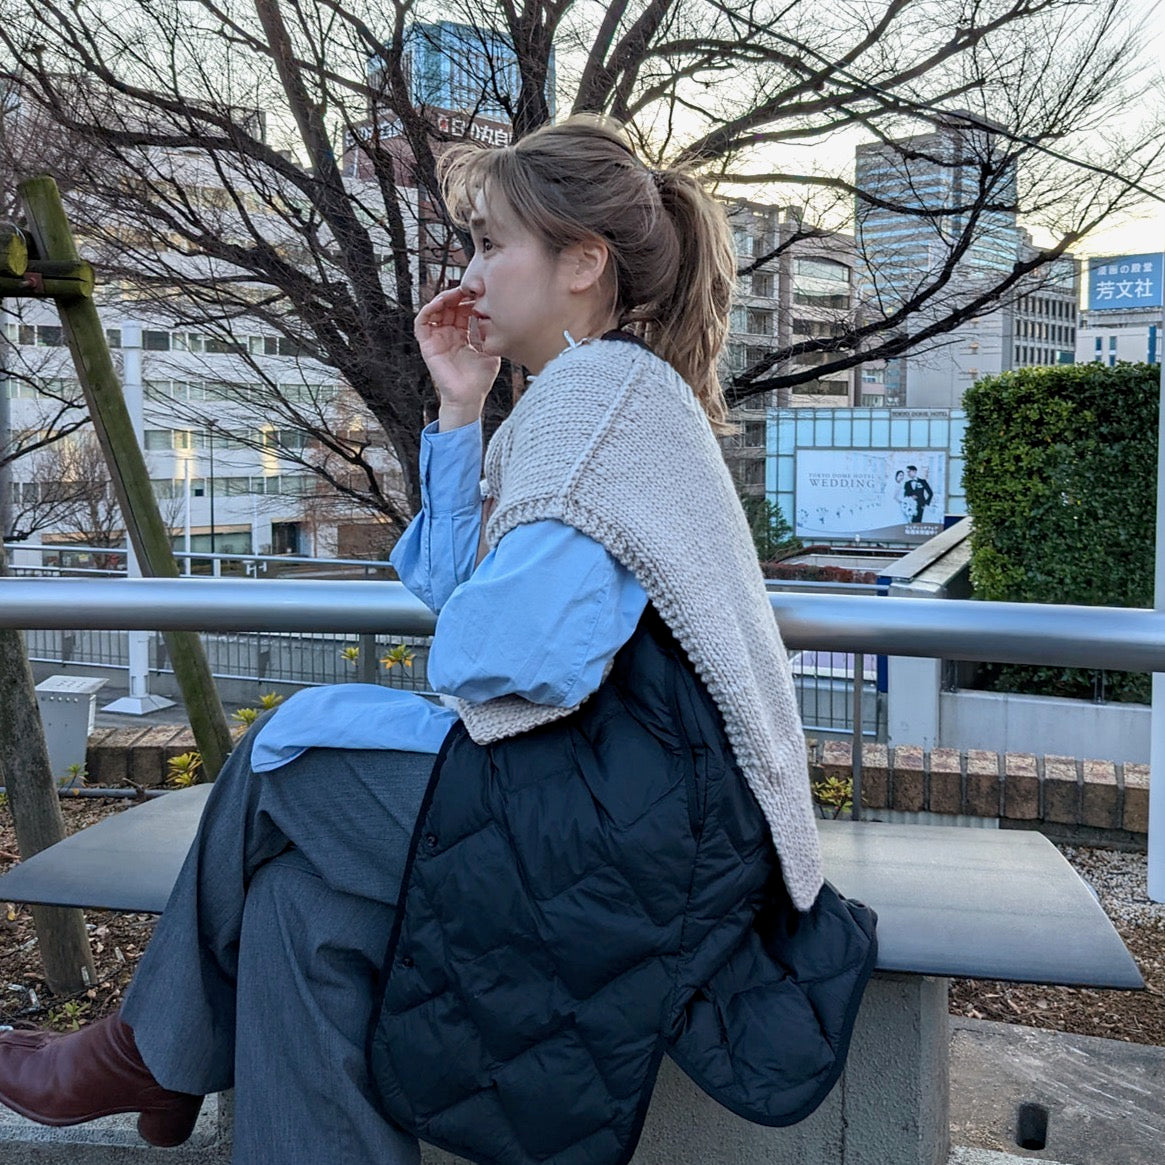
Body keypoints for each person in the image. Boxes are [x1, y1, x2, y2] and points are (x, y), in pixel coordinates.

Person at [0, 115, 875, 1165]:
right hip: (642, 813)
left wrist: (453, 646)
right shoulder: (605, 391)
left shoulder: (596, 400)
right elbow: (474, 600)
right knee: (295, 906)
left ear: (582, 264)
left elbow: (505, 654)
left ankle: (142, 1051)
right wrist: (460, 411)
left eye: (492, 243)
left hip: (640, 834)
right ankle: (150, 1056)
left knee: (286, 756)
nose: (469, 273)